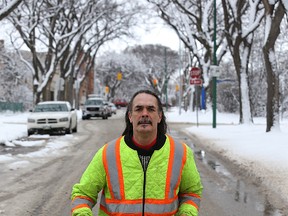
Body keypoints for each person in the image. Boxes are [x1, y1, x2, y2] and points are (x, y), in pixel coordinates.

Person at [71, 89, 203, 216]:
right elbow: (83, 194)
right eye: (138, 109)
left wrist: (187, 212)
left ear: (159, 116)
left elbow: (191, 192)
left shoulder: (181, 153)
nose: (145, 114)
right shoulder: (108, 154)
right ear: (130, 116)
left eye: (151, 109)